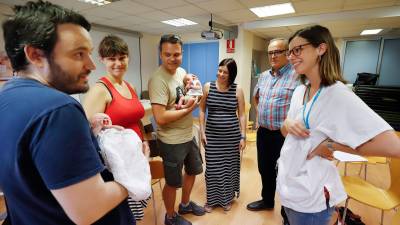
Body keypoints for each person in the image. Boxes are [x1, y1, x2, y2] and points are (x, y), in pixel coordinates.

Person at [0, 1, 135, 224]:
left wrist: (88, 131)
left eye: (89, 53)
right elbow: (89, 209)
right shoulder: (58, 109)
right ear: (35, 55)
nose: (92, 65)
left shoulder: (7, 96)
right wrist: (134, 168)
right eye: (78, 54)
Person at [278, 25, 400, 225]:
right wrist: (287, 123)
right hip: (289, 187)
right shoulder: (300, 91)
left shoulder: (337, 93)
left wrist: (331, 146)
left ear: (321, 49)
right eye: (290, 51)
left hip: (311, 197)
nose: (291, 56)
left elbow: (393, 146)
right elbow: (286, 132)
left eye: (297, 49)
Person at [83, 34, 150, 221]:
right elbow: (87, 134)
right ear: (102, 60)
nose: (118, 63)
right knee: (122, 215)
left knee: (134, 213)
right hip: (116, 164)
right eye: (112, 59)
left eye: (122, 58)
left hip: (135, 156)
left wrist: (144, 141)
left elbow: (136, 119)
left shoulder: (130, 87)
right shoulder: (100, 90)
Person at [148, 34, 205, 225]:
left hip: (189, 134)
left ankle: (185, 204)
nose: (173, 59)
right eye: (168, 54)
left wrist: (190, 80)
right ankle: (170, 216)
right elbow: (161, 118)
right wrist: (189, 108)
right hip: (172, 140)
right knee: (172, 182)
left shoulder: (181, 72)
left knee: (193, 171)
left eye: (177, 54)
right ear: (161, 54)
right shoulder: (158, 80)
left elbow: (187, 90)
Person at [247, 38, 299, 224]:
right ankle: (267, 201)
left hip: (283, 136)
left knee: (285, 174)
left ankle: (287, 213)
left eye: (277, 51)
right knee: (264, 169)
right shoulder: (263, 76)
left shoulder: (297, 76)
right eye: (270, 52)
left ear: (287, 53)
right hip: (263, 133)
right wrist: (263, 115)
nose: (273, 56)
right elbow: (256, 98)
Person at [199, 58, 246, 212]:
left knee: (228, 168)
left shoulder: (237, 90)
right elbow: (201, 110)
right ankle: (211, 201)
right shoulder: (208, 87)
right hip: (212, 136)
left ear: (231, 74)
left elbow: (242, 115)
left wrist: (243, 136)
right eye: (219, 70)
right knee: (212, 169)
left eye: (225, 72)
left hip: (231, 137)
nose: (221, 74)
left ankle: (226, 199)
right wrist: (202, 131)